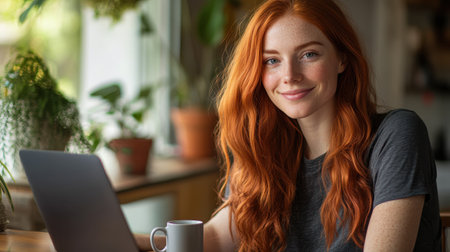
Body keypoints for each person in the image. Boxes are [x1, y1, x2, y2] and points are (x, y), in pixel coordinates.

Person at [135, 0, 441, 251]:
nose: (289, 75)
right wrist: (126, 240)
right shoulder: (267, 150)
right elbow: (215, 238)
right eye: (272, 60)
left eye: (309, 54)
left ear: (342, 59)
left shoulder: (397, 134)